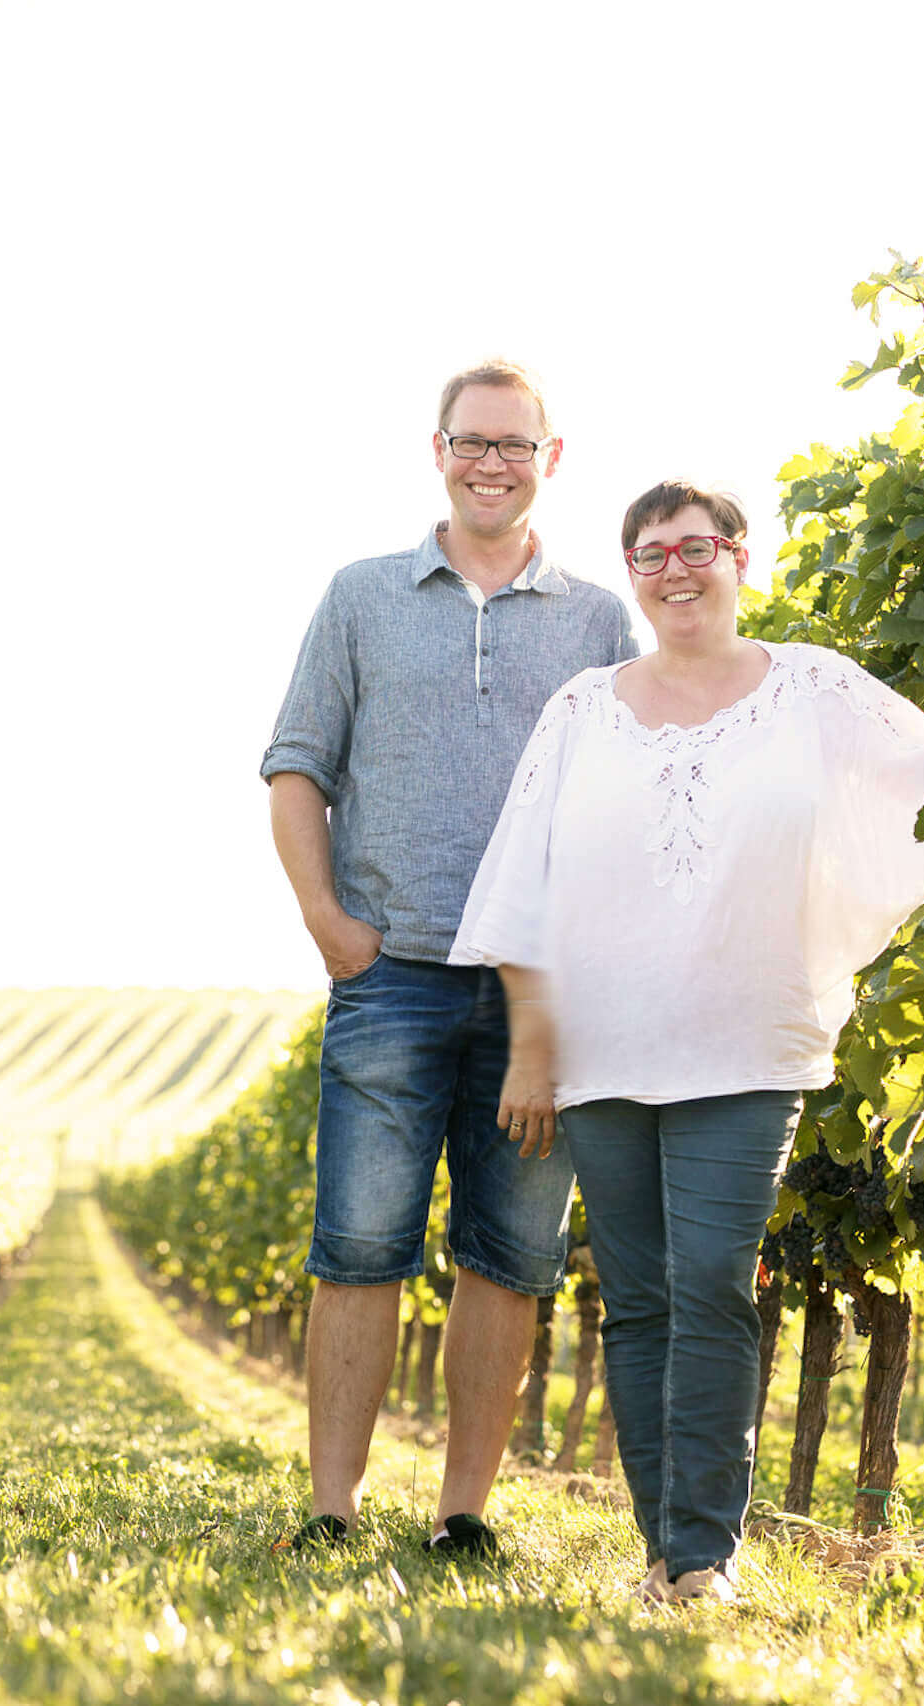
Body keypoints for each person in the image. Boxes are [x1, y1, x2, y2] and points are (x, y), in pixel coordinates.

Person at [448, 479, 924, 1602]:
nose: (675, 569)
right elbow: (519, 881)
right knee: (637, 1299)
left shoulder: (810, 685)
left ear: (736, 557)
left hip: (747, 1038)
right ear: (631, 573)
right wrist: (532, 1046)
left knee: (714, 1280)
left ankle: (703, 1554)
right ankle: (661, 1549)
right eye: (650, 553)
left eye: (696, 547)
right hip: (602, 1050)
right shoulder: (583, 705)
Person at [259, 360, 637, 1558]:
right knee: (360, 1243)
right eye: (472, 442)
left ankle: (463, 1513)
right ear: (437, 450)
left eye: (515, 445)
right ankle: (331, 1506)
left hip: (539, 991)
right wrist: (331, 923)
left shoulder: (594, 619)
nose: (492, 462)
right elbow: (296, 765)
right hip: (394, 975)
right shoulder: (362, 595)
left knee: (511, 1256)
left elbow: (620, 789)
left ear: (551, 458)